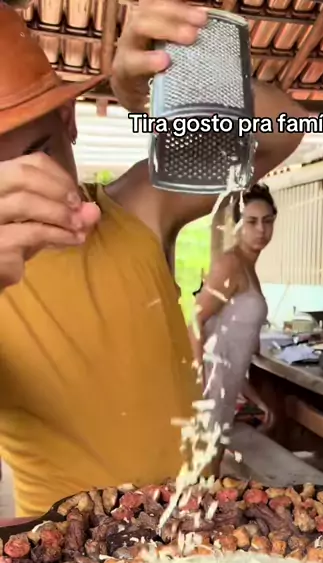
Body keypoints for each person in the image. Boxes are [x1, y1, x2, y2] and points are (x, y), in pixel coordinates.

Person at [0, 2, 306, 518]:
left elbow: (286, 126)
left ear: (68, 119)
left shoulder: (136, 209)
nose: (25, 193)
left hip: (194, 523)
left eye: (36, 154)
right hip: (66, 545)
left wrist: (173, 83)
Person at [189, 184, 276, 458]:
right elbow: (195, 321)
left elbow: (229, 346)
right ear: (238, 226)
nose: (261, 229)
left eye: (267, 221)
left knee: (211, 470)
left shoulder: (248, 267)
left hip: (226, 390)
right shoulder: (231, 265)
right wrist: (199, 386)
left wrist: (253, 396)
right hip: (209, 392)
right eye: (251, 222)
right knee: (201, 470)